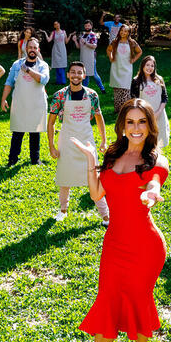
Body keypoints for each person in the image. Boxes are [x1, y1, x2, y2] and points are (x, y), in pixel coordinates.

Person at [72, 98, 169, 342]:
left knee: (139, 300)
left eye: (142, 122)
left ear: (150, 126)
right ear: (122, 125)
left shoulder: (156, 160)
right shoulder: (112, 154)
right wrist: (92, 159)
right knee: (108, 301)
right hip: (114, 244)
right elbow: (96, 194)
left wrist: (151, 194)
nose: (136, 128)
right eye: (130, 122)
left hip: (145, 248)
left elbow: (155, 183)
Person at [47, 62, 110, 226]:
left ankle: (106, 215)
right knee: (64, 176)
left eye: (79, 73)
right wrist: (51, 146)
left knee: (94, 177)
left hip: (86, 139)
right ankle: (63, 210)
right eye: (73, 72)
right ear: (68, 75)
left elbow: (99, 117)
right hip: (67, 139)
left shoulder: (92, 95)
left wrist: (103, 140)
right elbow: (51, 122)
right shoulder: (59, 96)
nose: (76, 75)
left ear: (84, 75)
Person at [1, 38, 50, 166]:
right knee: (18, 131)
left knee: (35, 132)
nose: (32, 50)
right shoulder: (17, 65)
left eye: (35, 48)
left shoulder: (43, 66)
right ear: (26, 49)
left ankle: (35, 159)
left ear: (38, 50)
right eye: (30, 47)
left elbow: (43, 80)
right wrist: (3, 99)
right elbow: (9, 82)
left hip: (36, 103)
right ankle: (12, 159)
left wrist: (28, 70)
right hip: (20, 103)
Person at [130, 55, 170, 148]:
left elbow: (164, 97)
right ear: (143, 66)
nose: (150, 68)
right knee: (145, 139)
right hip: (143, 115)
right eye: (147, 65)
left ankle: (157, 160)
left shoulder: (159, 79)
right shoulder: (136, 81)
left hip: (159, 114)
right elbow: (134, 100)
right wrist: (146, 114)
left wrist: (158, 112)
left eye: (152, 66)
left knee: (159, 139)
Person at [107, 24, 142, 113]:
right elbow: (109, 50)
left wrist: (133, 59)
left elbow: (139, 52)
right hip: (116, 67)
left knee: (125, 88)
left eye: (125, 31)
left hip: (127, 68)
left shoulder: (132, 42)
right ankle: (117, 109)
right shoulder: (115, 41)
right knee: (117, 88)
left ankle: (125, 109)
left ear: (128, 33)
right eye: (122, 30)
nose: (123, 32)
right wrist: (111, 58)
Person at [72, 20, 106, 93]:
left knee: (94, 74)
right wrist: (75, 41)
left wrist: (86, 43)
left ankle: (102, 88)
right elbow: (79, 47)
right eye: (86, 26)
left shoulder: (93, 35)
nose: (87, 27)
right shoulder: (82, 35)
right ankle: (84, 90)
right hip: (83, 57)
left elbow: (94, 46)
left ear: (91, 26)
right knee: (85, 74)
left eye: (88, 26)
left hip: (90, 58)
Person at [41, 21, 71, 85]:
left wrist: (70, 35)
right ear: (54, 26)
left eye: (57, 24)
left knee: (62, 65)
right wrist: (45, 33)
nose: (57, 25)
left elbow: (66, 42)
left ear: (59, 24)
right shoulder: (53, 32)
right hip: (56, 50)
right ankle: (58, 81)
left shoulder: (64, 32)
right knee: (57, 66)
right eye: (55, 24)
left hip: (62, 50)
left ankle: (63, 81)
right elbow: (49, 40)